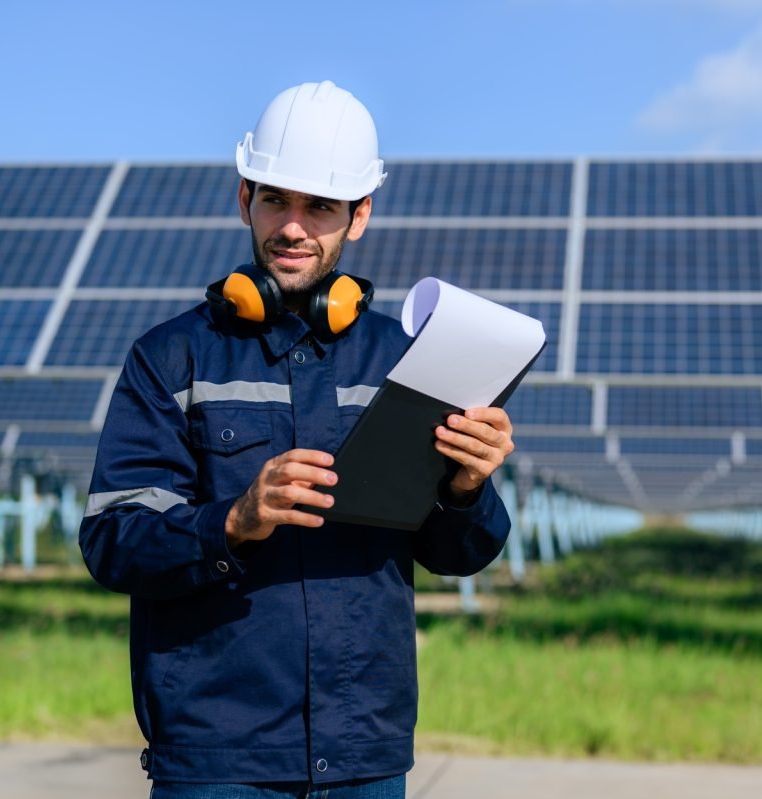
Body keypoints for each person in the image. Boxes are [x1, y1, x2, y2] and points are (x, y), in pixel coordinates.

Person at [80, 80, 514, 799]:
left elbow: (457, 552)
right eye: (277, 198)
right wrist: (231, 521)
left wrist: (468, 487)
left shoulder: (406, 360)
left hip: (364, 754)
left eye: (320, 207)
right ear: (244, 196)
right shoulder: (172, 358)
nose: (293, 226)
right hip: (218, 758)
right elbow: (113, 539)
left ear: (360, 215)